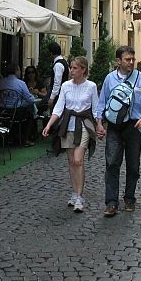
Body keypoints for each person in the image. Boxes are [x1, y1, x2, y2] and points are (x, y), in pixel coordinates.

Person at [95, 46, 141, 217]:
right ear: (118, 61)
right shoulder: (109, 79)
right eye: (127, 59)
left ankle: (129, 197)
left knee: (133, 165)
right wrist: (99, 123)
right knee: (112, 163)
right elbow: (102, 102)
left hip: (135, 126)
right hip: (114, 127)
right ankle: (111, 202)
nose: (131, 62)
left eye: (133, 59)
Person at [42, 56, 99, 213]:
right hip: (68, 125)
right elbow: (59, 108)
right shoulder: (66, 86)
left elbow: (96, 109)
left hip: (84, 125)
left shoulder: (91, 86)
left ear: (83, 70)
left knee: (78, 160)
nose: (71, 71)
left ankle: (80, 196)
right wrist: (49, 125)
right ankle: (75, 192)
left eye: (75, 68)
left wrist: (99, 125)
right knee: (71, 161)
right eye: (71, 67)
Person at [0, 65, 37, 145]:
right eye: (19, 70)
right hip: (16, 112)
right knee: (30, 114)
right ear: (16, 71)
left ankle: (9, 138)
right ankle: (25, 139)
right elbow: (30, 99)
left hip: (2, 111)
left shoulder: (1, 82)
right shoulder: (21, 83)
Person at [47, 41, 70, 112]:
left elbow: (57, 82)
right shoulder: (64, 61)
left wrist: (52, 97)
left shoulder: (58, 65)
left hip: (59, 95)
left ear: (51, 53)